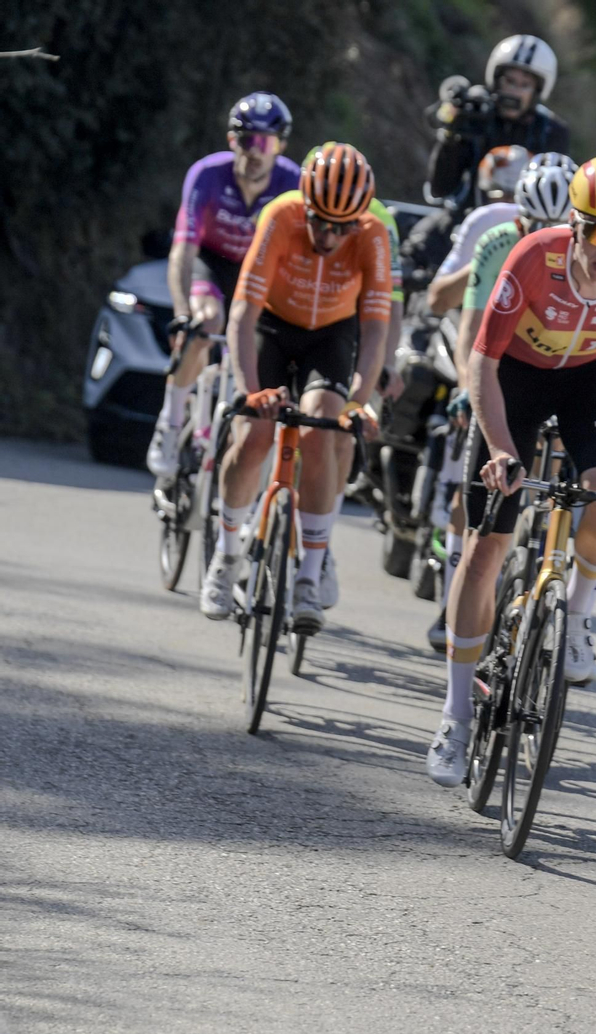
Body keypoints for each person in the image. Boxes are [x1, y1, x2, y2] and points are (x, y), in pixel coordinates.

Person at [425, 156, 596, 787]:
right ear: (575, 224)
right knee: (486, 549)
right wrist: (503, 448)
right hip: (514, 376)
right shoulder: (533, 257)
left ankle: (578, 615)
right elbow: (482, 364)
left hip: (589, 377)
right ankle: (455, 716)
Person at [199, 145, 391, 634]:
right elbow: (242, 312)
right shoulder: (280, 216)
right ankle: (225, 558)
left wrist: (358, 401)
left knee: (322, 429)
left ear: (359, 219)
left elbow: (374, 330)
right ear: (304, 205)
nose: (328, 236)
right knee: (254, 438)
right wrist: (248, 391)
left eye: (341, 226)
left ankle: (309, 574)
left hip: (330, 335)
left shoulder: (372, 235)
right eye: (320, 222)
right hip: (272, 325)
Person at [422, 153, 577, 652]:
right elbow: (473, 327)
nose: (543, 239)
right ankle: (454, 601)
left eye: (557, 227)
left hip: (553, 371)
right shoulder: (496, 241)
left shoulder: (584, 256)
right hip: (498, 368)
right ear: (519, 217)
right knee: (475, 496)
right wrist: (470, 389)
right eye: (535, 226)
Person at [147, 92, 299, 478]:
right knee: (206, 324)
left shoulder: (293, 183)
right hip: (212, 265)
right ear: (233, 141)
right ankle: (170, 419)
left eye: (267, 142)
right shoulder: (207, 175)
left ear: (280, 146)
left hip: (258, 273)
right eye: (247, 140)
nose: (256, 151)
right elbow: (183, 250)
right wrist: (183, 313)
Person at [426, 35, 569, 207]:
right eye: (510, 81)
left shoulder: (551, 131)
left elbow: (554, 200)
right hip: (464, 217)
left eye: (525, 85)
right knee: (420, 234)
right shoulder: (473, 114)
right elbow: (440, 189)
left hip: (524, 225)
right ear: (497, 80)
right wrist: (450, 136)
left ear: (537, 91)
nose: (515, 91)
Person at [425, 146, 549, 315]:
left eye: (515, 197)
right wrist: (487, 259)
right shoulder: (483, 219)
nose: (508, 205)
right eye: (501, 196)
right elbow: (437, 301)